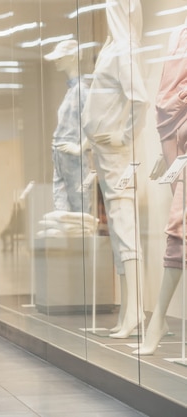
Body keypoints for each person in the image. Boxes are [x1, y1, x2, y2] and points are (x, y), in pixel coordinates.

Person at [79, 0, 148, 339]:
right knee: (119, 233)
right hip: (104, 153)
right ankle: (128, 310)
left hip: (116, 152)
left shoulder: (125, 48)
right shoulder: (113, 44)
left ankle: (135, 311)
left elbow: (140, 99)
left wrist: (124, 134)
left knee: (124, 229)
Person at [134, 14, 187, 355]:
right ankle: (158, 321)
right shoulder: (178, 32)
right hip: (173, 140)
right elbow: (164, 99)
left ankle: (156, 322)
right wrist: (166, 153)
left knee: (177, 226)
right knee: (179, 228)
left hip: (179, 135)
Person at [44, 39, 91, 214]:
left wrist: (80, 148)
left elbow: (94, 126)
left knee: (80, 210)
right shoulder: (72, 91)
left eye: (60, 57)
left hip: (72, 157)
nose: (56, 61)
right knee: (61, 211)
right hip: (60, 154)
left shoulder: (82, 91)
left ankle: (80, 241)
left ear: (72, 57)